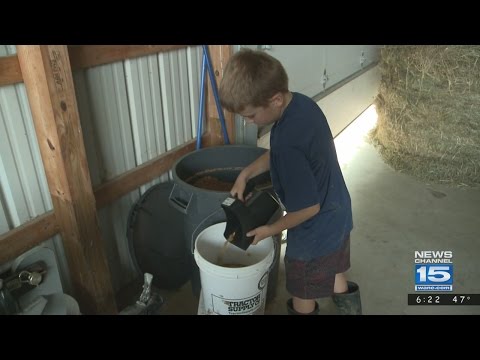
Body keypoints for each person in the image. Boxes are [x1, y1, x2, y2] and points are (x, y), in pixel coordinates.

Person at [219, 48, 362, 315]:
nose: (249, 123)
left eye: (250, 115)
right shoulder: (301, 105)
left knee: (302, 288)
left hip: (315, 227)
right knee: (332, 269)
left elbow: (308, 209)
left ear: (274, 100)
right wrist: (245, 173)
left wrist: (270, 230)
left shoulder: (287, 143)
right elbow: (283, 152)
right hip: (338, 210)